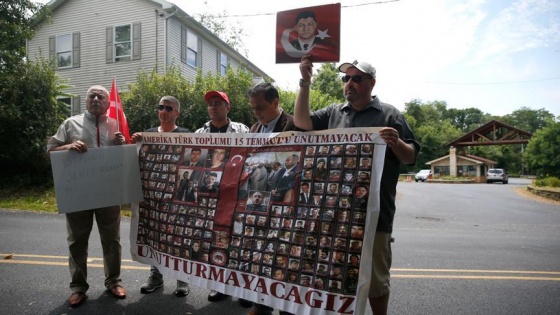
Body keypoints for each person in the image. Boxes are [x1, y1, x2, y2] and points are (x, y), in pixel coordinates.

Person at [295, 57, 420, 315]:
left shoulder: (389, 114)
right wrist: (305, 81)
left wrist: (396, 142)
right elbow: (301, 122)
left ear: (371, 83)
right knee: (334, 272)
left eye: (356, 78)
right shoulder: (333, 113)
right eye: (346, 78)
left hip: (374, 214)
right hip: (335, 214)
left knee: (375, 279)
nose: (349, 83)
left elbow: (410, 157)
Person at [47, 85, 128, 307]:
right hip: (78, 194)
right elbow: (50, 149)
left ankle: (113, 281)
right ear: (85, 101)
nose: (95, 99)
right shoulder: (70, 124)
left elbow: (127, 158)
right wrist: (69, 146)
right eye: (91, 95)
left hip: (108, 193)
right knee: (77, 242)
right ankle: (78, 288)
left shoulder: (116, 125)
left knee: (112, 241)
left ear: (107, 101)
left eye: (100, 96)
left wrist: (123, 144)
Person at [130, 95, 191, 297]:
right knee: (155, 236)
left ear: (177, 113)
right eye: (160, 107)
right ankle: (155, 276)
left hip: (175, 197)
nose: (163, 111)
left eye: (169, 108)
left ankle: (182, 280)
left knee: (178, 236)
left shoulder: (185, 134)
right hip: (152, 198)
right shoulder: (147, 134)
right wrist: (136, 141)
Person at [246, 82, 298, 315]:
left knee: (285, 251)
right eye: (253, 109)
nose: (257, 113)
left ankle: (287, 309)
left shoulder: (296, 124)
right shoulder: (254, 128)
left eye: (261, 108)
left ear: (276, 103)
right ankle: (262, 304)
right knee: (263, 251)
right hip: (261, 199)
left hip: (286, 203)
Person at [196, 90, 251, 306]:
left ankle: (244, 291)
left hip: (237, 190)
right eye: (210, 104)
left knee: (239, 238)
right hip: (212, 193)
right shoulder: (200, 131)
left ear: (228, 107)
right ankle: (219, 286)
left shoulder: (242, 129)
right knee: (215, 238)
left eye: (218, 103)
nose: (213, 107)